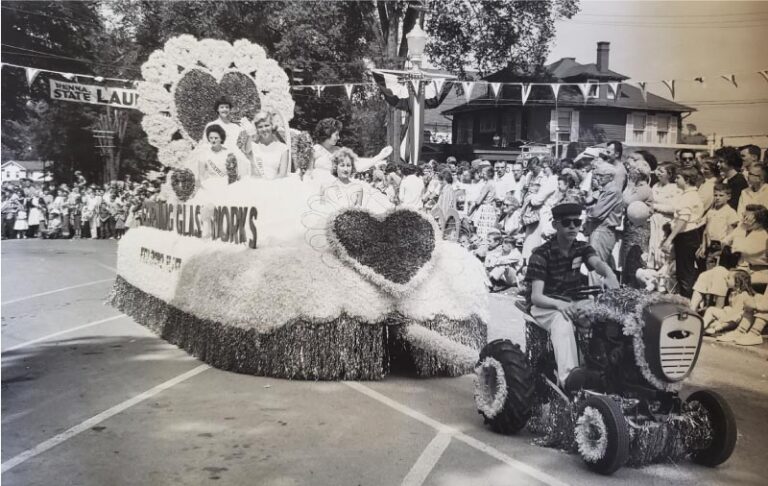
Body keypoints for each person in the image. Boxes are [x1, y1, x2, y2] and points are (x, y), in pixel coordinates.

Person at [525, 202, 620, 390]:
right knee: (563, 320)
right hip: (545, 305)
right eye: (566, 222)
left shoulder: (581, 248)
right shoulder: (541, 254)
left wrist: (610, 274)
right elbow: (536, 297)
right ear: (555, 225)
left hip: (572, 301)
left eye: (576, 222)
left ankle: (607, 370)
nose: (572, 227)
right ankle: (569, 378)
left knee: (606, 316)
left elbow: (597, 263)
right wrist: (559, 305)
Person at [661, 167, 704, 297]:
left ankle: (687, 301)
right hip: (688, 236)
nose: (675, 180)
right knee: (684, 270)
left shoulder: (689, 197)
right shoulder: (689, 194)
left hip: (686, 236)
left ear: (687, 180)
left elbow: (683, 219)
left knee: (685, 272)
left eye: (678, 178)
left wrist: (670, 238)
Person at [310, 118, 391, 183]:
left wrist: (380, 156)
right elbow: (307, 174)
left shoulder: (339, 151)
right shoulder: (314, 150)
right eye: (336, 135)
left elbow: (357, 164)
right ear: (327, 134)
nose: (339, 138)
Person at [585, 163, 624, 285]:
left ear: (610, 177)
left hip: (602, 230)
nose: (598, 178)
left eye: (601, 176)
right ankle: (602, 293)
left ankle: (595, 294)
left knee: (595, 266)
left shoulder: (612, 191)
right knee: (601, 265)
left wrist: (587, 211)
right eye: (597, 175)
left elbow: (596, 213)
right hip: (600, 230)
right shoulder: (605, 190)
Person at [697, 184, 739, 270]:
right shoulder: (711, 211)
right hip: (710, 246)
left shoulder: (730, 212)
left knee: (720, 270)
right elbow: (706, 230)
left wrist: (725, 247)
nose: (717, 198)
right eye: (715, 195)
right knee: (709, 269)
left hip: (722, 247)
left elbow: (732, 232)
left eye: (721, 195)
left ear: (728, 197)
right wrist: (703, 246)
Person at [701, 269, 755, 336]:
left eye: (728, 278)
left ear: (737, 282)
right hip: (728, 315)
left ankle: (716, 328)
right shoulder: (733, 293)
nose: (725, 279)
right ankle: (702, 325)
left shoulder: (743, 295)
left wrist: (720, 321)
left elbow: (735, 312)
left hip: (736, 320)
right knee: (711, 309)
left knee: (738, 316)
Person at [196, 124, 243, 190]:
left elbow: (235, 173)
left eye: (216, 138)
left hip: (228, 185)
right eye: (211, 138)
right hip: (211, 185)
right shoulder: (204, 154)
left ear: (221, 138)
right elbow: (201, 175)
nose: (213, 140)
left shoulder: (229, 153)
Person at [250, 111, 288, 180]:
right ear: (256, 129)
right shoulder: (252, 147)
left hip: (276, 183)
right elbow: (252, 172)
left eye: (267, 125)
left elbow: (282, 174)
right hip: (256, 183)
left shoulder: (283, 148)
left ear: (272, 126)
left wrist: (270, 184)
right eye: (260, 127)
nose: (264, 129)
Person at [468, 166, 498, 240]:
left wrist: (472, 206)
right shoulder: (494, 183)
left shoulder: (488, 185)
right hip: (490, 208)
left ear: (489, 174)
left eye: (484, 174)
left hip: (485, 209)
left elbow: (479, 201)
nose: (482, 175)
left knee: (481, 229)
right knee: (488, 228)